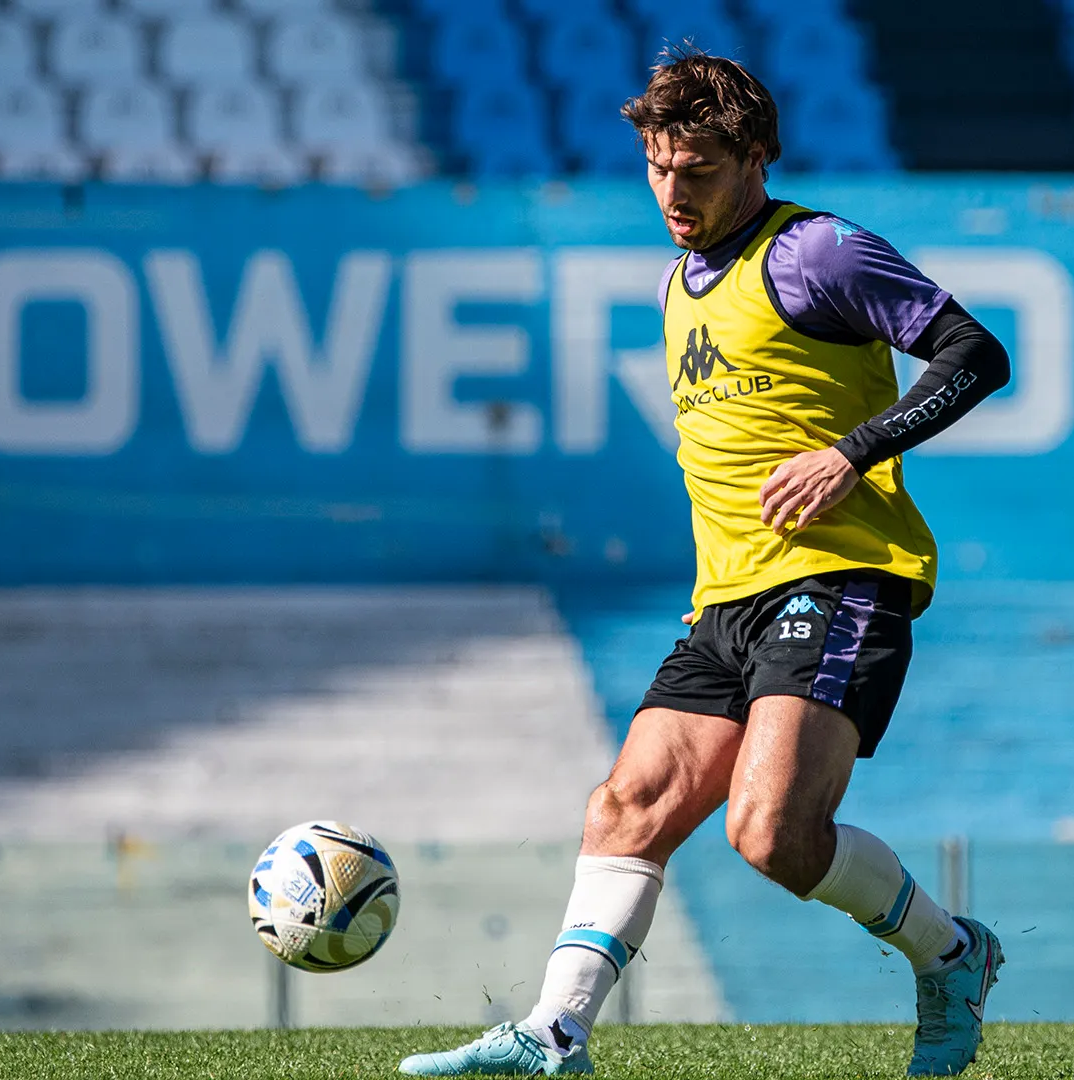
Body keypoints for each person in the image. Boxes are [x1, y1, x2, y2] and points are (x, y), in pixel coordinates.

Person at [401, 49, 1012, 1078]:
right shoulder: (677, 284)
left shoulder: (818, 253)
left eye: (698, 170)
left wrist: (851, 451)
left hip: (837, 578)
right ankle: (556, 1034)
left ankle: (953, 955)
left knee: (771, 836)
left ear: (757, 158)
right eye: (657, 169)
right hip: (726, 598)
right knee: (626, 804)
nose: (673, 193)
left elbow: (975, 354)